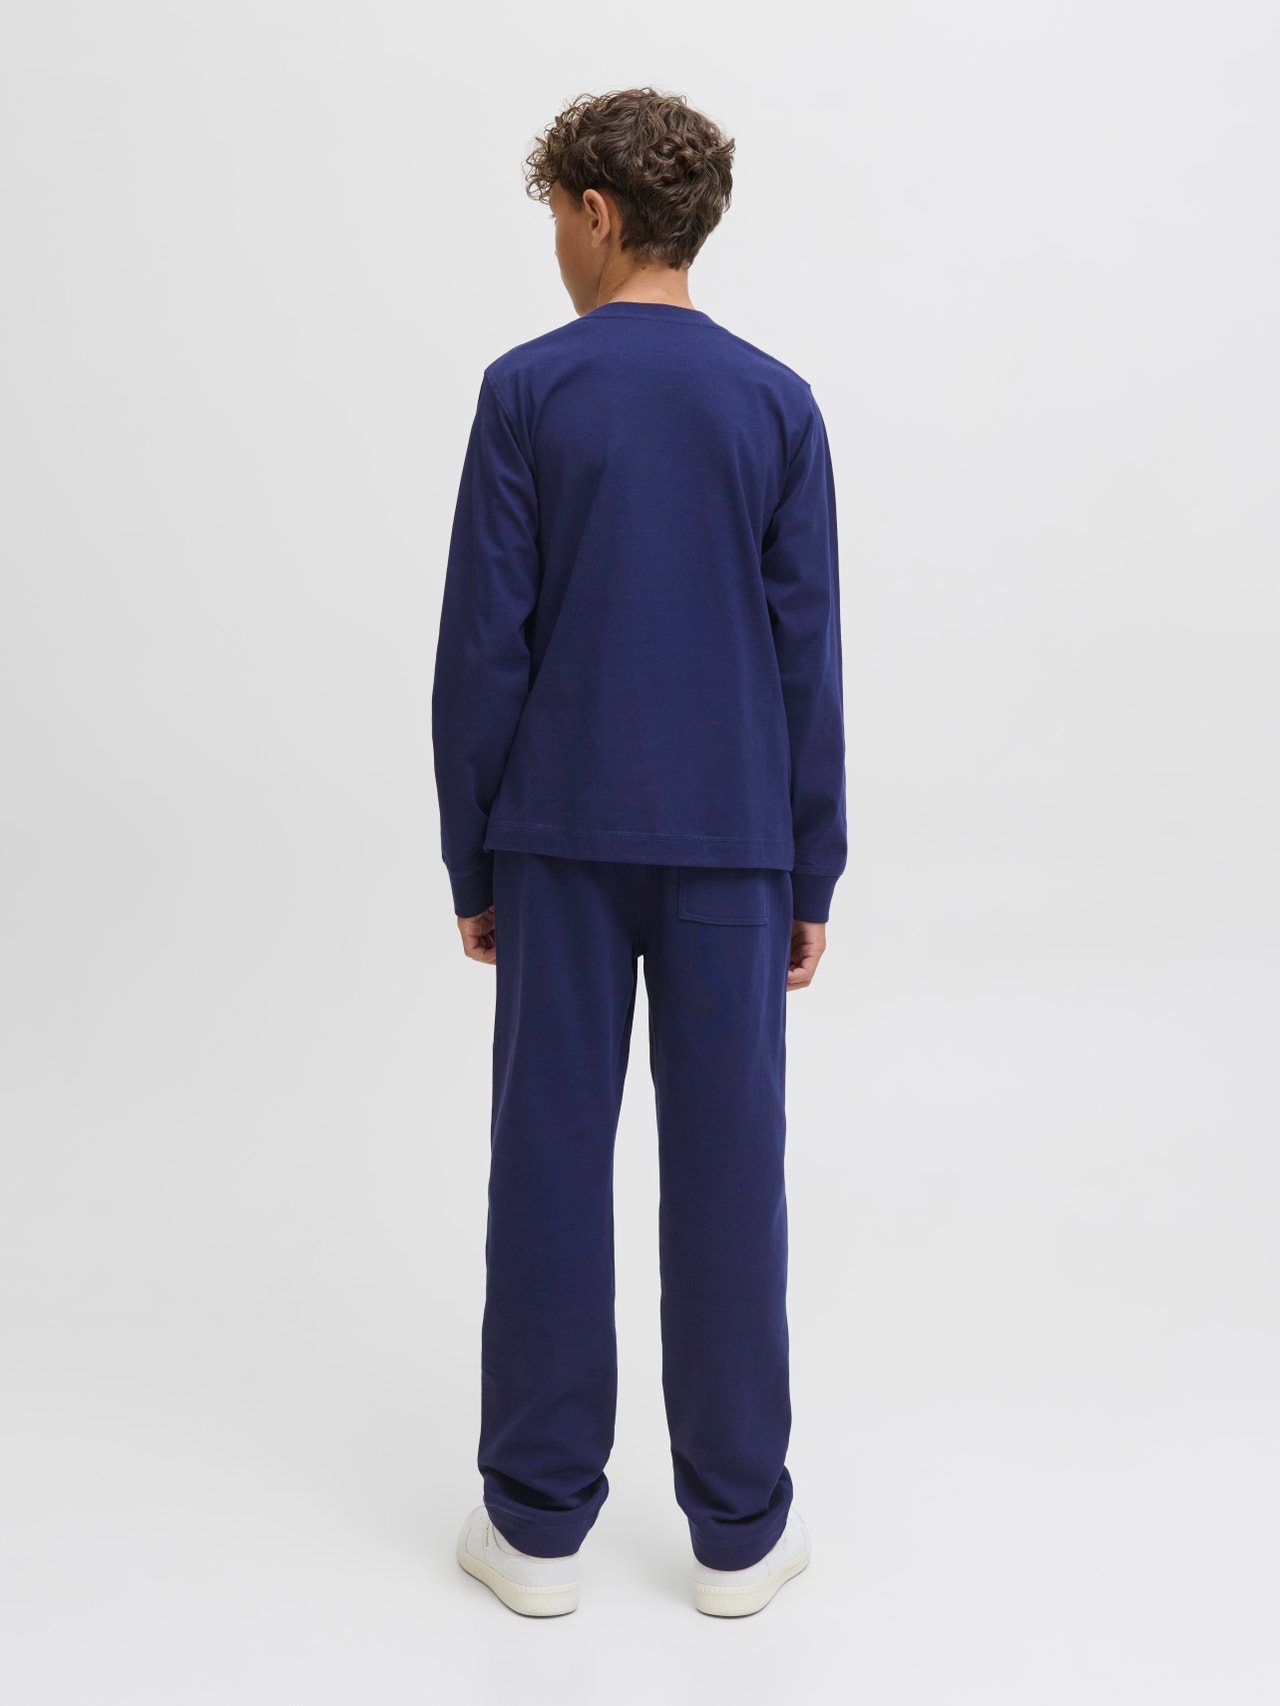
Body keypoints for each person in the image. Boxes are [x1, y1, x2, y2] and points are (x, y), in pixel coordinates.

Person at [432, 86, 846, 1619]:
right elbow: (807, 656)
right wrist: (812, 866)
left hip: (558, 836)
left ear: (597, 214)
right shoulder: (776, 403)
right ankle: (738, 1532)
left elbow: (486, 648)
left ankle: (536, 1528)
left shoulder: (528, 391)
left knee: (548, 1160)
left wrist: (474, 854)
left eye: (559, 217)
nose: (558, 245)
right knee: (732, 1171)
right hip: (736, 845)